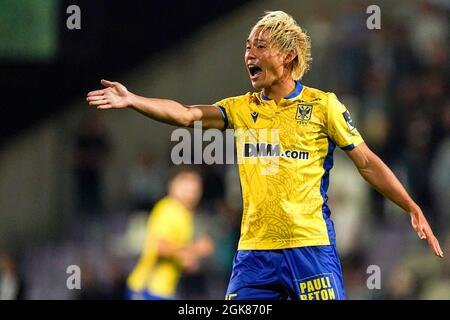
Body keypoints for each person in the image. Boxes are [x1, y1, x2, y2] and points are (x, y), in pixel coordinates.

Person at [87, 11, 443, 300]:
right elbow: (184, 113)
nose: (249, 55)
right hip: (254, 254)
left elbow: (366, 162)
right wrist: (133, 99)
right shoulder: (241, 109)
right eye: (247, 47)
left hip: (310, 248)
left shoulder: (323, 106)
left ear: (288, 56)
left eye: (260, 46)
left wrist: (411, 206)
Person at [125, 168, 213, 300]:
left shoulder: (185, 214)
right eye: (186, 189)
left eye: (194, 191)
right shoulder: (168, 209)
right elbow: (161, 247)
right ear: (172, 187)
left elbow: (174, 249)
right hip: (148, 289)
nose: (191, 195)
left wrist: (187, 257)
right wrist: (195, 248)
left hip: (164, 290)